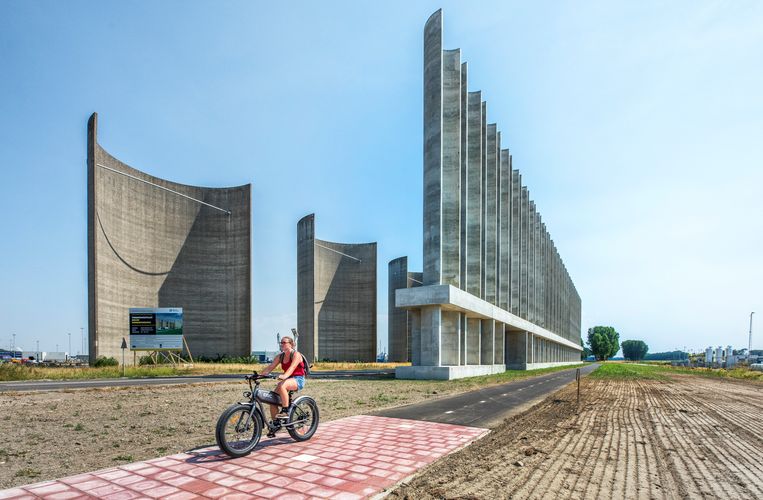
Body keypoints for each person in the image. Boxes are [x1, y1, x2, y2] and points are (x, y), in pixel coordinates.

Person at [260, 336, 305, 436]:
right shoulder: (280, 356)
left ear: (291, 344)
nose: (282, 344)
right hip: (287, 379)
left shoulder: (296, 354)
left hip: (298, 379)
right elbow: (270, 367)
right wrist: (258, 375)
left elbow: (292, 367)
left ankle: (285, 411)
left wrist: (284, 376)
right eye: (281, 343)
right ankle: (276, 424)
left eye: (284, 342)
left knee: (282, 385)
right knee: (272, 399)